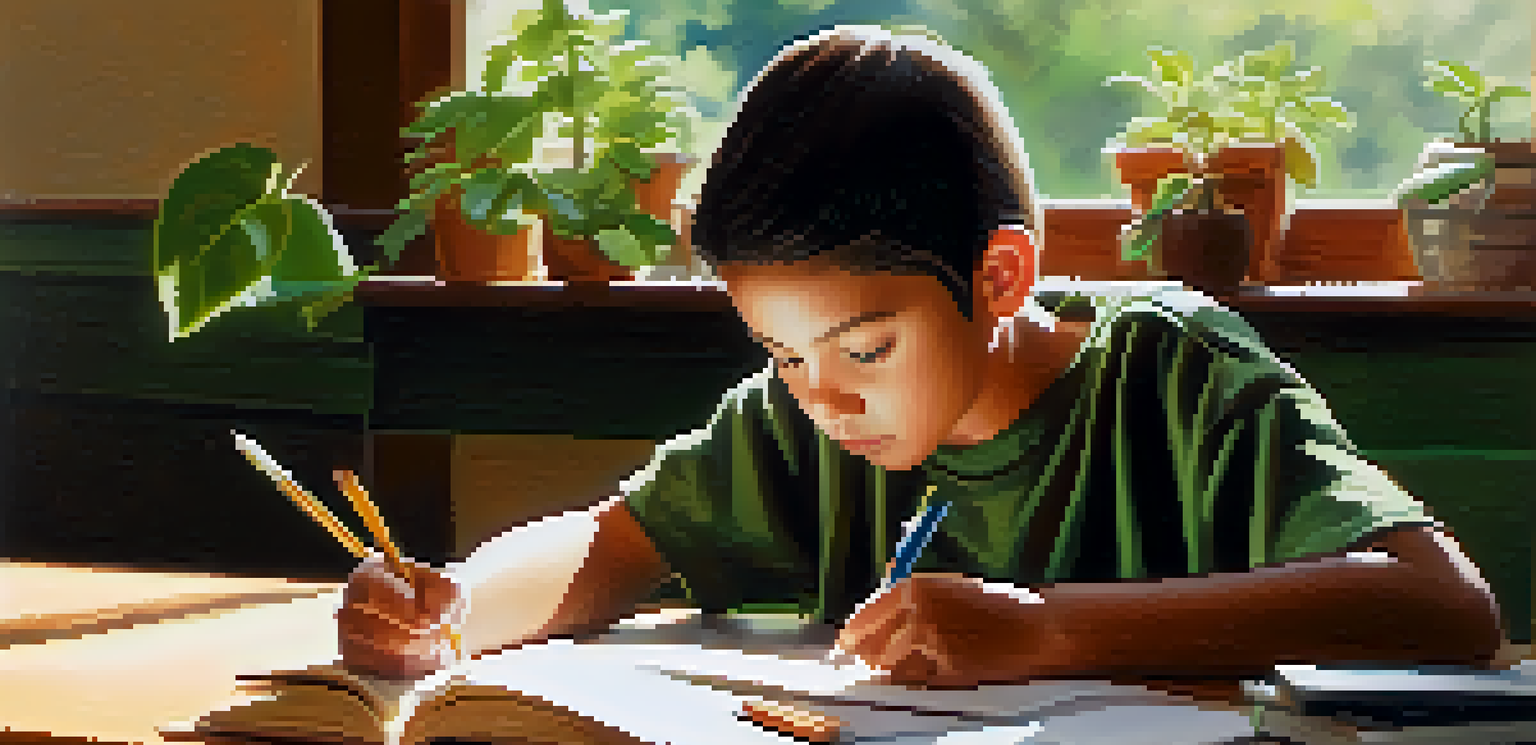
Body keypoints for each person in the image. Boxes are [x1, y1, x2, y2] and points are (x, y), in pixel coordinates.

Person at [337, 26, 1504, 687]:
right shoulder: (803, 415)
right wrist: (452, 611)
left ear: (999, 277)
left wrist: (1049, 628)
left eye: (866, 345)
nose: (822, 395)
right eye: (778, 353)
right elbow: (609, 543)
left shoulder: (1178, 377)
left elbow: (1445, 607)